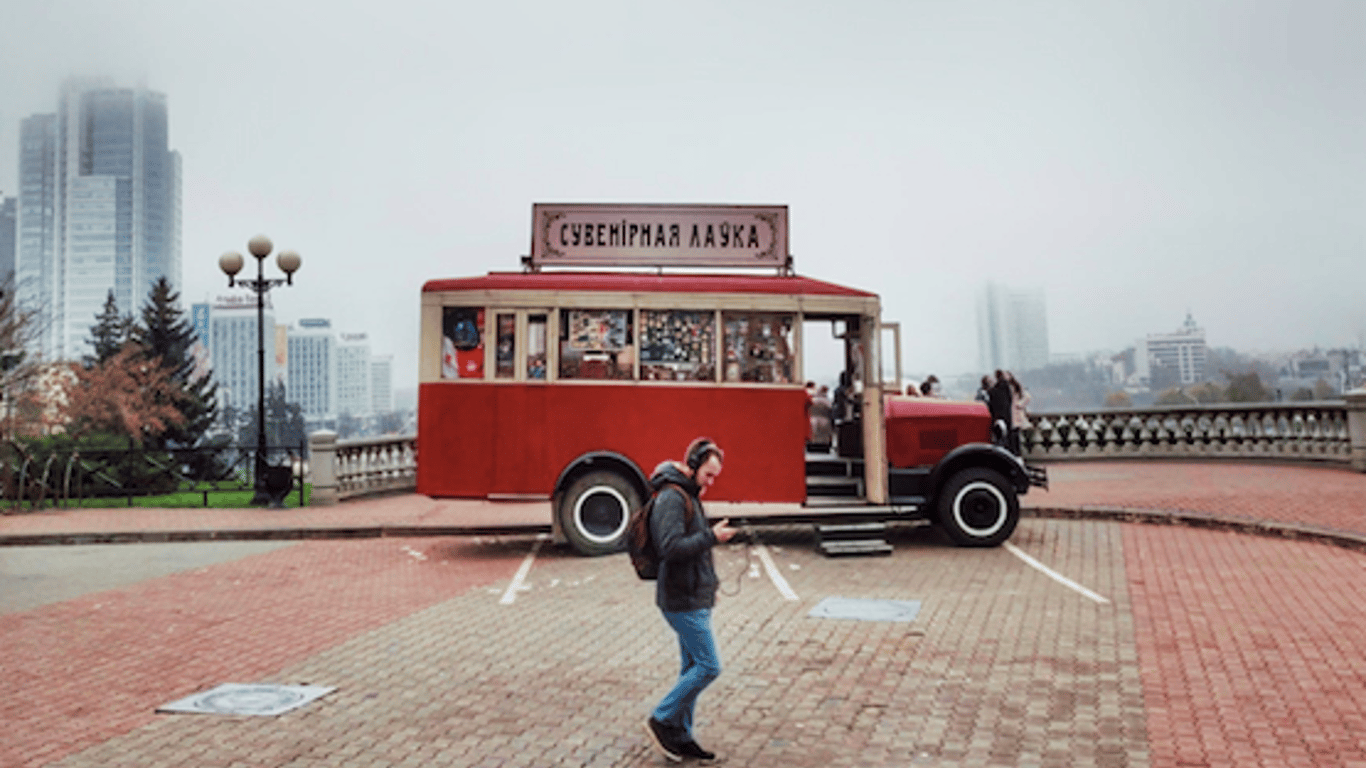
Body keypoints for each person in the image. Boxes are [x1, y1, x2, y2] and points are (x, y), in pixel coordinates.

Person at [643, 437, 738, 763]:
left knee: (692, 668)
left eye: (715, 476)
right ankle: (662, 718)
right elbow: (671, 547)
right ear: (693, 466)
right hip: (681, 599)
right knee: (709, 666)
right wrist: (712, 536)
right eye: (708, 475)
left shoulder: (689, 494)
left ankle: (681, 736)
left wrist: (709, 587)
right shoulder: (672, 497)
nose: (711, 482)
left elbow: (692, 547)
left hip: (694, 595)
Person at [1007, 372, 1031, 455]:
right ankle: (1015, 452)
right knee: (1013, 435)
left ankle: (1017, 453)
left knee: (1015, 434)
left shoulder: (1016, 386)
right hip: (1011, 413)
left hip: (1015, 413)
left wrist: (1020, 404)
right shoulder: (1007, 386)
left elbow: (1027, 396)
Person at [987, 369, 1013, 448]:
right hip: (1007, 415)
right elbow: (1010, 399)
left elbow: (991, 405)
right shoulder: (1006, 387)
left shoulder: (992, 390)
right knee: (1008, 436)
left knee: (999, 438)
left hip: (997, 416)